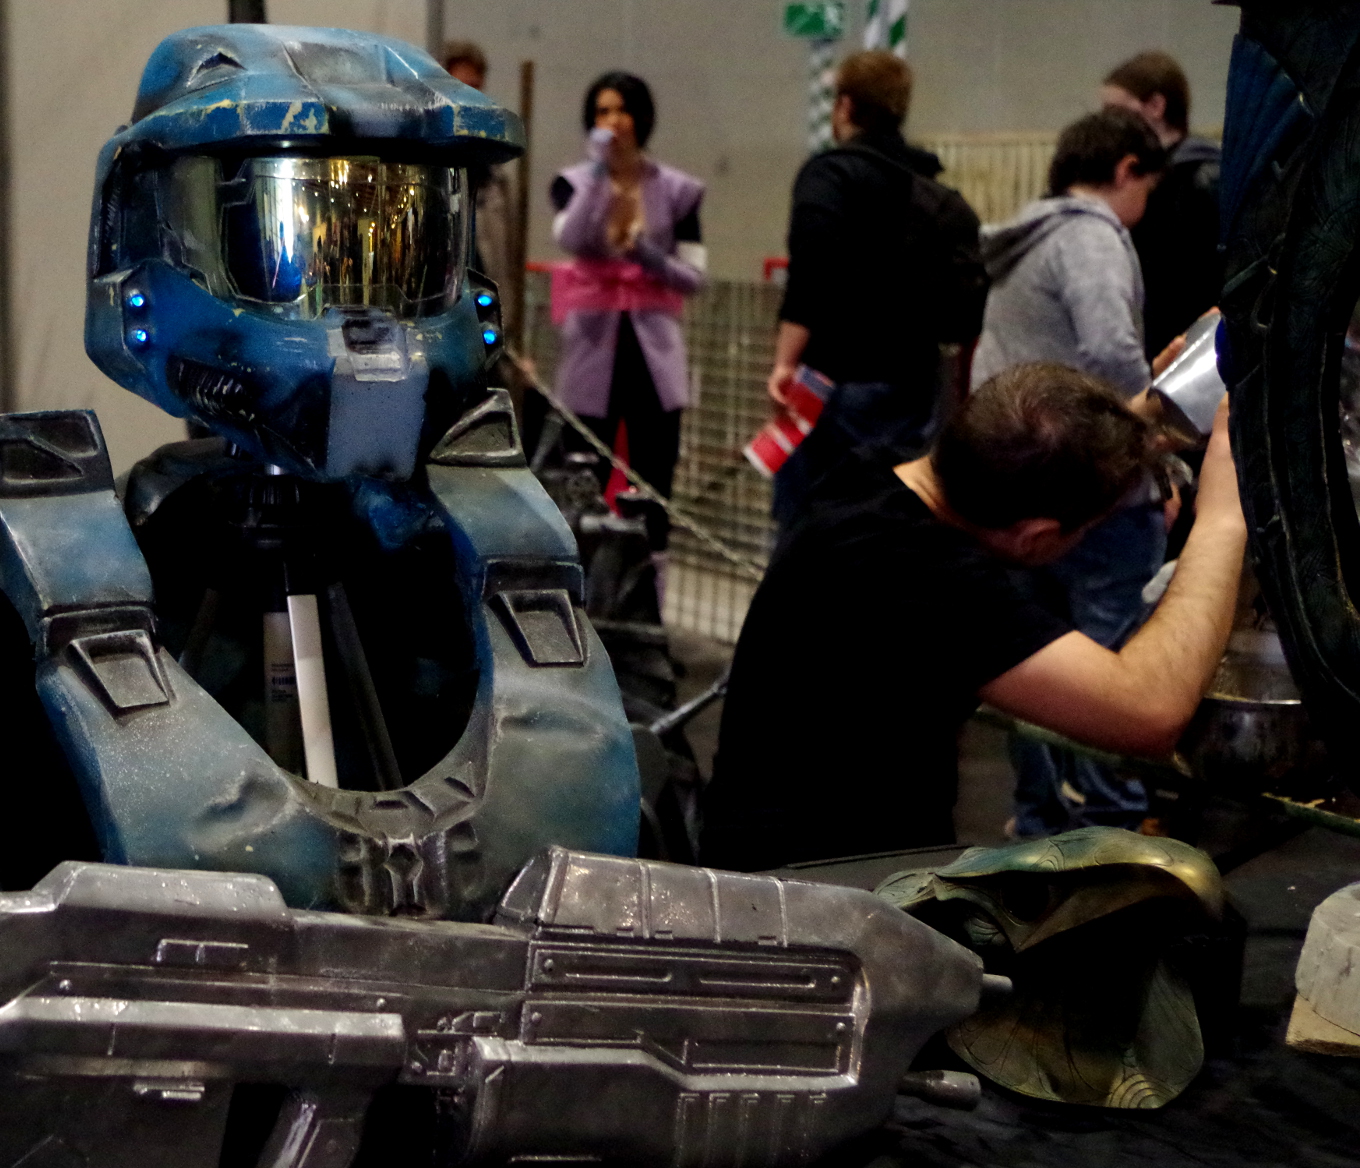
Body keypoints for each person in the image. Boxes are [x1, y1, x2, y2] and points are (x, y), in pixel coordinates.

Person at [699, 363, 1243, 869]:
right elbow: (1148, 710)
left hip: (778, 859)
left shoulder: (868, 478)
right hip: (816, 898)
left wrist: (1132, 421)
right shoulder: (925, 575)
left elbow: (1027, 444)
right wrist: (1223, 517)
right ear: (1037, 537)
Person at [973, 108, 1171, 838]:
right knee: (1110, 663)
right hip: (1094, 491)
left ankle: (1040, 820)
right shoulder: (1091, 237)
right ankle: (1111, 829)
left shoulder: (1026, 239)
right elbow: (1110, 353)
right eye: (1147, 187)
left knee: (1033, 661)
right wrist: (1156, 453)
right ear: (1126, 170)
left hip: (1018, 486)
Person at [769, 51, 987, 536]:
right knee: (888, 517)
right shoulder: (928, 185)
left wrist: (785, 363)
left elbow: (811, 274)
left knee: (810, 523)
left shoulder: (830, 176)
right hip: (911, 382)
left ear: (845, 106)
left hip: (832, 379)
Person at [549, 71, 705, 559]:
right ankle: (582, 578)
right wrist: (598, 172)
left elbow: (693, 276)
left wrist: (644, 254)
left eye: (622, 110)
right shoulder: (573, 183)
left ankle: (649, 579)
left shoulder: (678, 190)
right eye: (602, 112)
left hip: (653, 349)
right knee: (582, 472)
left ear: (641, 118)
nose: (613, 121)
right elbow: (571, 238)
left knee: (654, 476)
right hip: (591, 345)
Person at [1102, 51, 1224, 355]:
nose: (1105, 123)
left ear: (1156, 106)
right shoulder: (1136, 177)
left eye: (1115, 110)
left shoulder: (1204, 178)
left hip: (1190, 338)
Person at [442, 40, 517, 334]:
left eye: (474, 88)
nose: (468, 100)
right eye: (458, 89)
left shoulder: (496, 180)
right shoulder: (424, 176)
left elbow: (508, 263)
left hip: (487, 321)